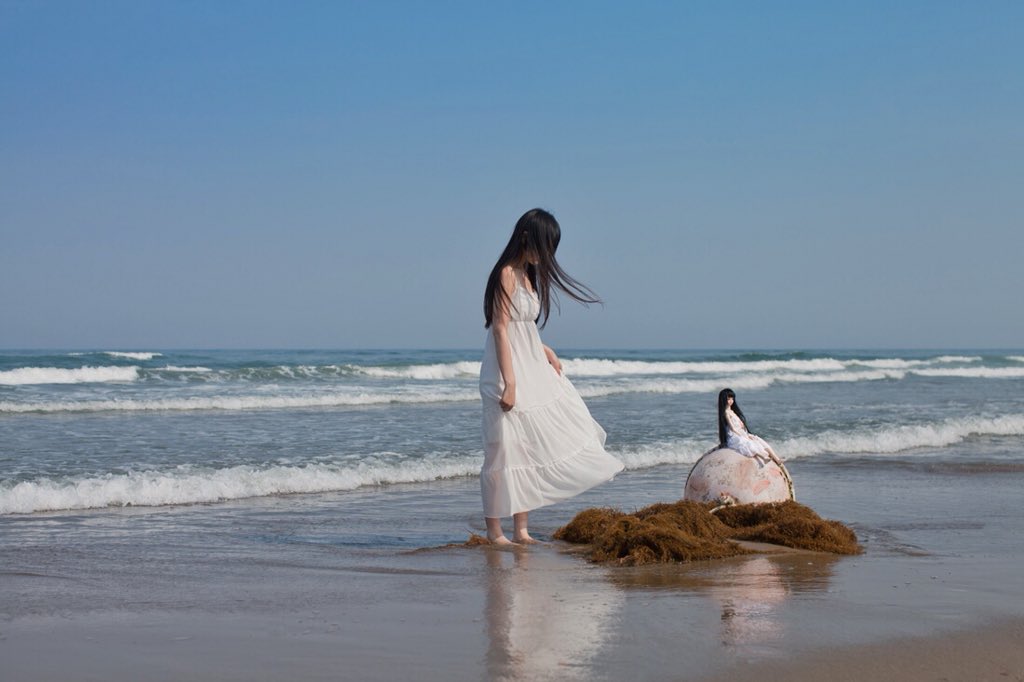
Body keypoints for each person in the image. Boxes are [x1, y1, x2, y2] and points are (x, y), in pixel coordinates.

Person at [479, 208, 624, 545]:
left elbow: (523, 327)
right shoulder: (506, 274)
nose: (548, 256)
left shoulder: (528, 276)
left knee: (526, 448)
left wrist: (545, 351)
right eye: (545, 246)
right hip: (504, 370)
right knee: (501, 450)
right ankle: (494, 531)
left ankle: (521, 529)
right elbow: (501, 328)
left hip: (529, 364)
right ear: (527, 237)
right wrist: (510, 382)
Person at [717, 388, 782, 467]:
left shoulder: (733, 411)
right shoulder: (726, 413)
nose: (731, 401)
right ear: (723, 400)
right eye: (728, 399)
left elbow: (740, 425)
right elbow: (733, 428)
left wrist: (745, 433)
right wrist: (743, 435)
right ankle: (763, 457)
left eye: (732, 398)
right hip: (734, 435)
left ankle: (776, 458)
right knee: (746, 443)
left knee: (757, 439)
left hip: (742, 432)